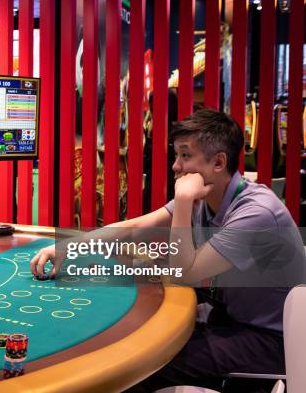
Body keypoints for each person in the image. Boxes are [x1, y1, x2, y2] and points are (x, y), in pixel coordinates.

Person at [31, 109, 305, 392]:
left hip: (271, 341)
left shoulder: (256, 213)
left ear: (219, 162)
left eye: (185, 156)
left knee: (137, 368)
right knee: (135, 339)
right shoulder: (210, 196)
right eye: (177, 155)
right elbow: (136, 228)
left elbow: (184, 273)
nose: (176, 166)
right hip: (229, 317)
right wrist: (71, 246)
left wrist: (184, 200)